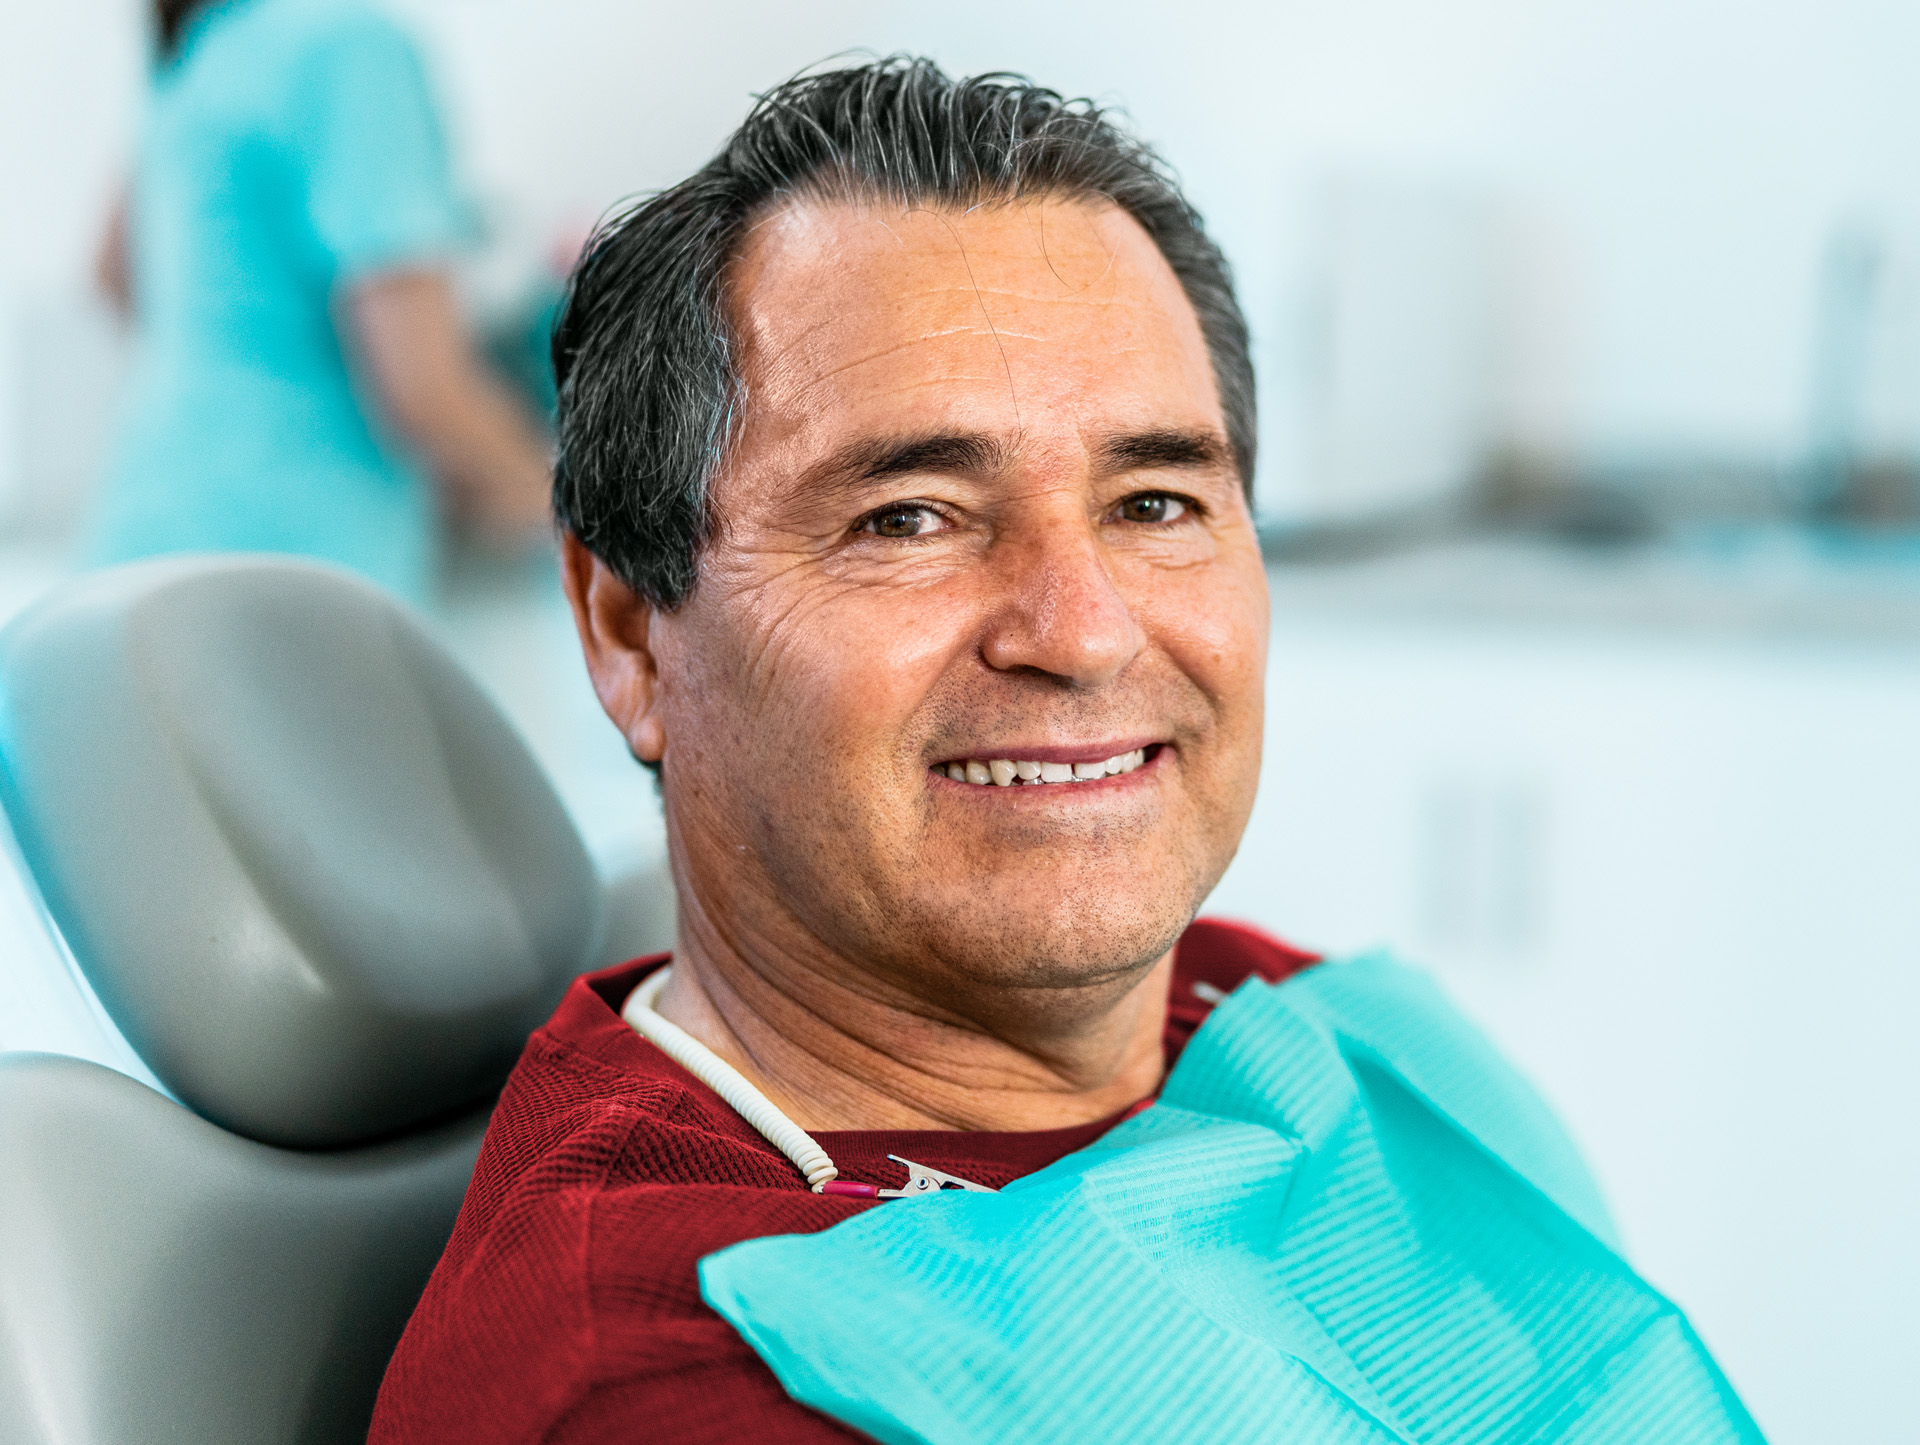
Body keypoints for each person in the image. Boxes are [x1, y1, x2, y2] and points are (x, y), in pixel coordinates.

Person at [370, 59, 1761, 1444]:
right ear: (629, 632)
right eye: (910, 517)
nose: (1085, 634)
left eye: (1154, 501)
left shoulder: (1289, 1024)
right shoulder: (685, 1376)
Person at [90, 0, 552, 605]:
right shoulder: (351, 46)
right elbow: (425, 392)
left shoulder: (205, 47)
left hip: (133, 555)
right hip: (287, 575)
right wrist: (596, 527)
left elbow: (107, 273)